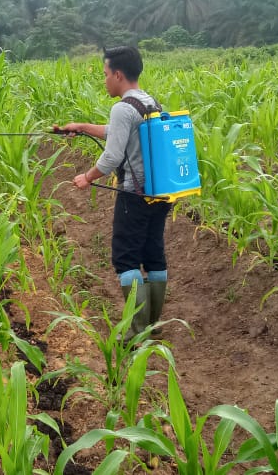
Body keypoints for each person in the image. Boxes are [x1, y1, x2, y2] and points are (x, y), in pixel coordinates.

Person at [57, 46, 171, 341]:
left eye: (106, 74)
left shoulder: (122, 107)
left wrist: (87, 177)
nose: (105, 80)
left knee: (126, 259)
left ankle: (136, 331)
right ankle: (151, 325)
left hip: (134, 195)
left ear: (118, 74)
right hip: (159, 192)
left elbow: (111, 157)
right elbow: (118, 131)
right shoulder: (148, 101)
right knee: (153, 255)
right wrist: (81, 127)